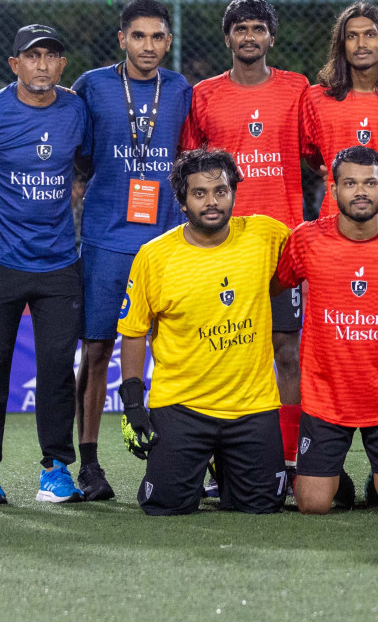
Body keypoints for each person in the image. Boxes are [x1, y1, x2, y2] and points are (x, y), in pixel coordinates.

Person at [115, 148, 291, 516]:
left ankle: (224, 465)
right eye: (199, 193)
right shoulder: (154, 256)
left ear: (233, 194)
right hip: (182, 406)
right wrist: (133, 404)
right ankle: (201, 461)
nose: (211, 202)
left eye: (220, 191)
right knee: (165, 506)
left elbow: (322, 242)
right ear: (182, 201)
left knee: (261, 506)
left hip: (252, 407)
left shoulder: (265, 235)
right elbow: (133, 332)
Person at [0, 24, 92, 505]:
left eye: (51, 56)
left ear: (63, 66)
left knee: (59, 370)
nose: (42, 64)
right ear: (14, 64)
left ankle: (56, 472)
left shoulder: (76, 110)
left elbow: (85, 164)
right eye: (32, 56)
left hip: (59, 263)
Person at [70, 0, 192, 502]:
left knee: (174, 349)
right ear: (122, 39)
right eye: (138, 36)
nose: (148, 46)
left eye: (157, 37)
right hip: (105, 239)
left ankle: (176, 455)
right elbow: (78, 156)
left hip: (166, 241)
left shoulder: (181, 88)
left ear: (168, 41)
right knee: (97, 348)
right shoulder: (92, 85)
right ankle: (90, 463)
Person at [183, 0, 309, 477]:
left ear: (271, 37)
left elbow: (319, 152)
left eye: (258, 28)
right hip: (220, 243)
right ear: (228, 37)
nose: (249, 36)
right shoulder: (205, 94)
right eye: (240, 29)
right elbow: (192, 167)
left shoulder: (298, 89)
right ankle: (218, 466)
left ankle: (290, 458)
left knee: (286, 352)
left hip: (280, 244)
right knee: (222, 352)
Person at [275, 146, 378, 515]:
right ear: (333, 190)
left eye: (369, 183)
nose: (360, 191)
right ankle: (334, 478)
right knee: (312, 505)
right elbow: (275, 287)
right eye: (350, 183)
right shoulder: (305, 239)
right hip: (326, 398)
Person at [300, 2, 378, 219]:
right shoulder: (315, 99)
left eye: (370, 34)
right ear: (341, 45)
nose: (361, 44)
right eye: (351, 36)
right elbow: (313, 156)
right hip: (335, 224)